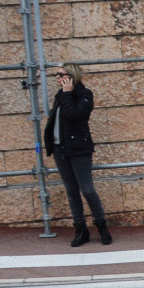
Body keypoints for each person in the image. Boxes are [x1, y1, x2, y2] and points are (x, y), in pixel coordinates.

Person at [43, 63, 111, 247]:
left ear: (72, 77)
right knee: (72, 192)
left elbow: (75, 115)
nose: (57, 78)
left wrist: (67, 93)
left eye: (61, 75)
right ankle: (81, 230)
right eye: (56, 75)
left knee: (87, 190)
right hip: (60, 149)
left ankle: (102, 225)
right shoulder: (60, 96)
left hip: (79, 150)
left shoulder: (84, 95)